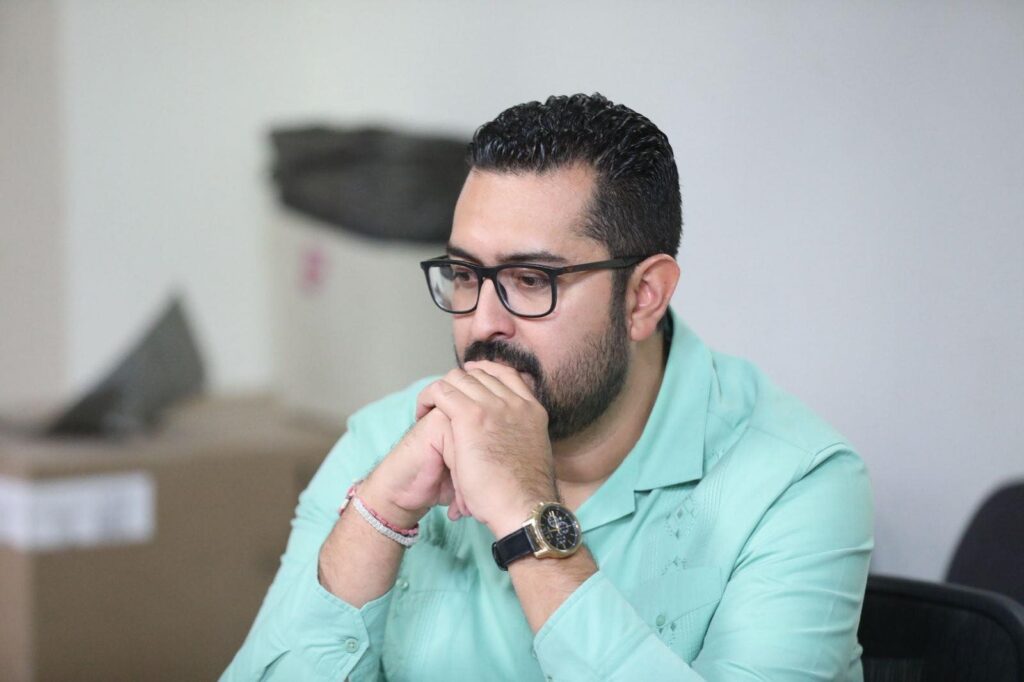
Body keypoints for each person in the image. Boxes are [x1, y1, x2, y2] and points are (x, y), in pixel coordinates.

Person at [223, 93, 873, 681]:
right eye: (464, 274)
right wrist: (379, 517)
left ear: (644, 296)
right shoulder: (386, 439)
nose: (482, 323)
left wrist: (529, 519)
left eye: (531, 280)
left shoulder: (796, 483)